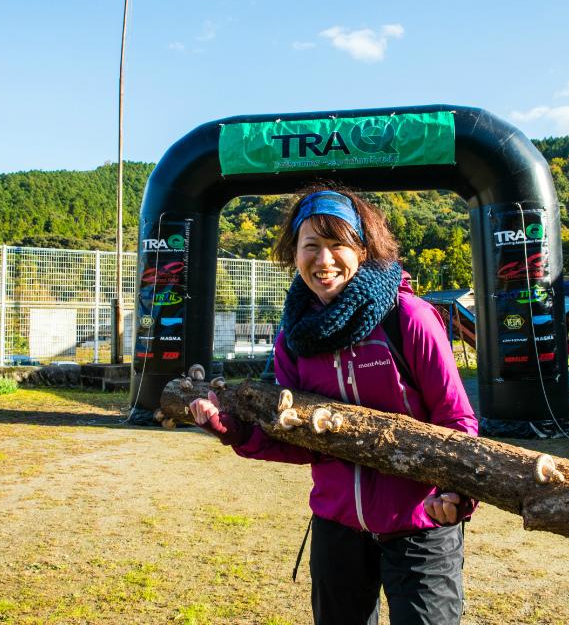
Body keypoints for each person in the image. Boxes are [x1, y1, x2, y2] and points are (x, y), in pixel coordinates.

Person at [189, 186, 478, 625]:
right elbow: (302, 438)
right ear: (294, 254)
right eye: (311, 246)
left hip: (421, 527)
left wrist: (454, 492)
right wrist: (238, 432)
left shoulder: (408, 319)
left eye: (338, 244)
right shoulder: (295, 338)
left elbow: (456, 419)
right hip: (338, 527)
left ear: (362, 248)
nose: (324, 261)